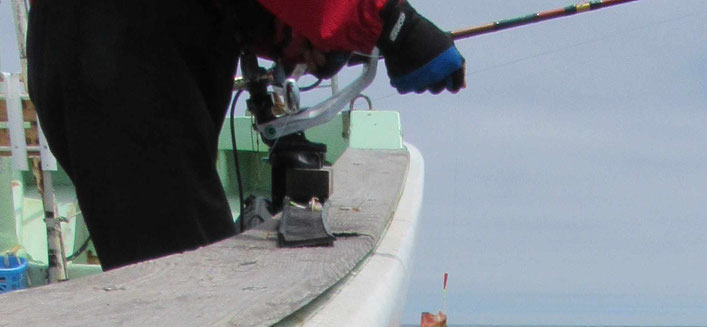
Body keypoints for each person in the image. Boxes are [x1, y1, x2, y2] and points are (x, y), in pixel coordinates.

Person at [26, 0, 465, 271]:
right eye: (317, 56)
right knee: (177, 284)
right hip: (122, 43)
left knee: (148, 259)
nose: (309, 65)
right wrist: (390, 21)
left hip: (77, 39)